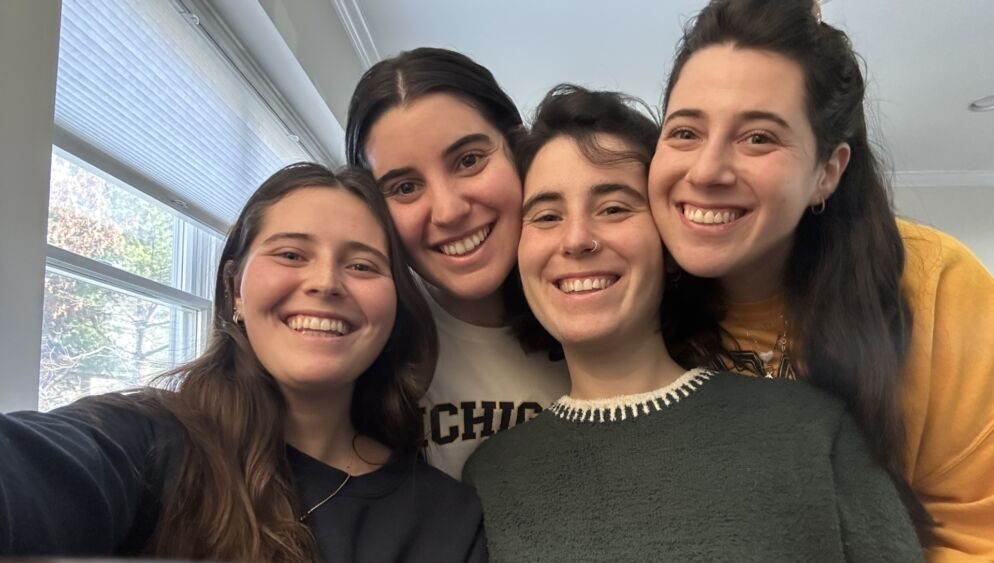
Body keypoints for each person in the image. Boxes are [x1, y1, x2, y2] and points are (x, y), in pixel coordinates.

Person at [463, 84, 922, 562]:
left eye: (614, 207)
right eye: (546, 215)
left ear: (671, 244)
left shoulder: (813, 430)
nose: (576, 239)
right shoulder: (492, 477)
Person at [0, 163, 486, 562]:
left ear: (395, 305)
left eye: (362, 265)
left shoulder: (449, 516)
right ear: (235, 287)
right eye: (292, 254)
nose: (326, 283)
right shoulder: (145, 444)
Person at [647, 0, 994, 558]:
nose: (707, 170)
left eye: (758, 137)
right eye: (685, 131)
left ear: (826, 173)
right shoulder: (627, 290)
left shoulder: (936, 286)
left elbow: (977, 532)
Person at [345, 48, 569, 478]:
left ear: (518, 146)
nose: (448, 211)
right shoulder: (367, 351)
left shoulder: (604, 307)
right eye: (406, 187)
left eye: (469, 161)